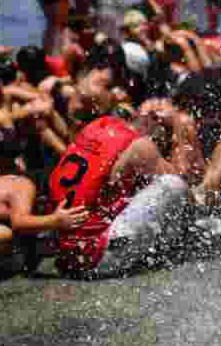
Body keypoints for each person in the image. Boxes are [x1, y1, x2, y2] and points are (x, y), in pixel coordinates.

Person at [46, 111, 192, 278]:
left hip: (68, 256)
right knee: (172, 184)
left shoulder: (97, 127)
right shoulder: (141, 146)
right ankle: (175, 245)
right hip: (96, 260)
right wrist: (180, 130)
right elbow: (183, 188)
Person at [0, 161, 89, 275]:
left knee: (28, 243)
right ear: (43, 195)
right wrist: (56, 220)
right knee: (3, 233)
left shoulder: (9, 180)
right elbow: (19, 223)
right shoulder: (25, 185)